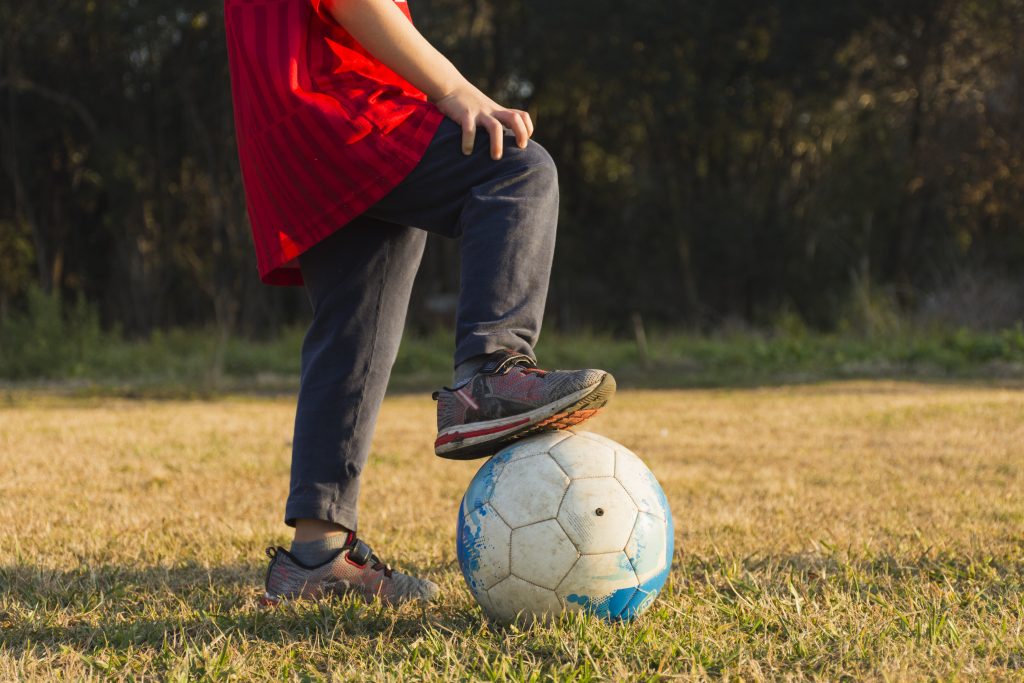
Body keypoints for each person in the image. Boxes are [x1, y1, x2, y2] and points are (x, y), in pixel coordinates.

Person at [223, 0, 616, 606]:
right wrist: (453, 87)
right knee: (515, 169)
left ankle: (315, 558)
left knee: (356, 322)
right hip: (339, 99)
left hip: (287, 121)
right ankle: (490, 374)